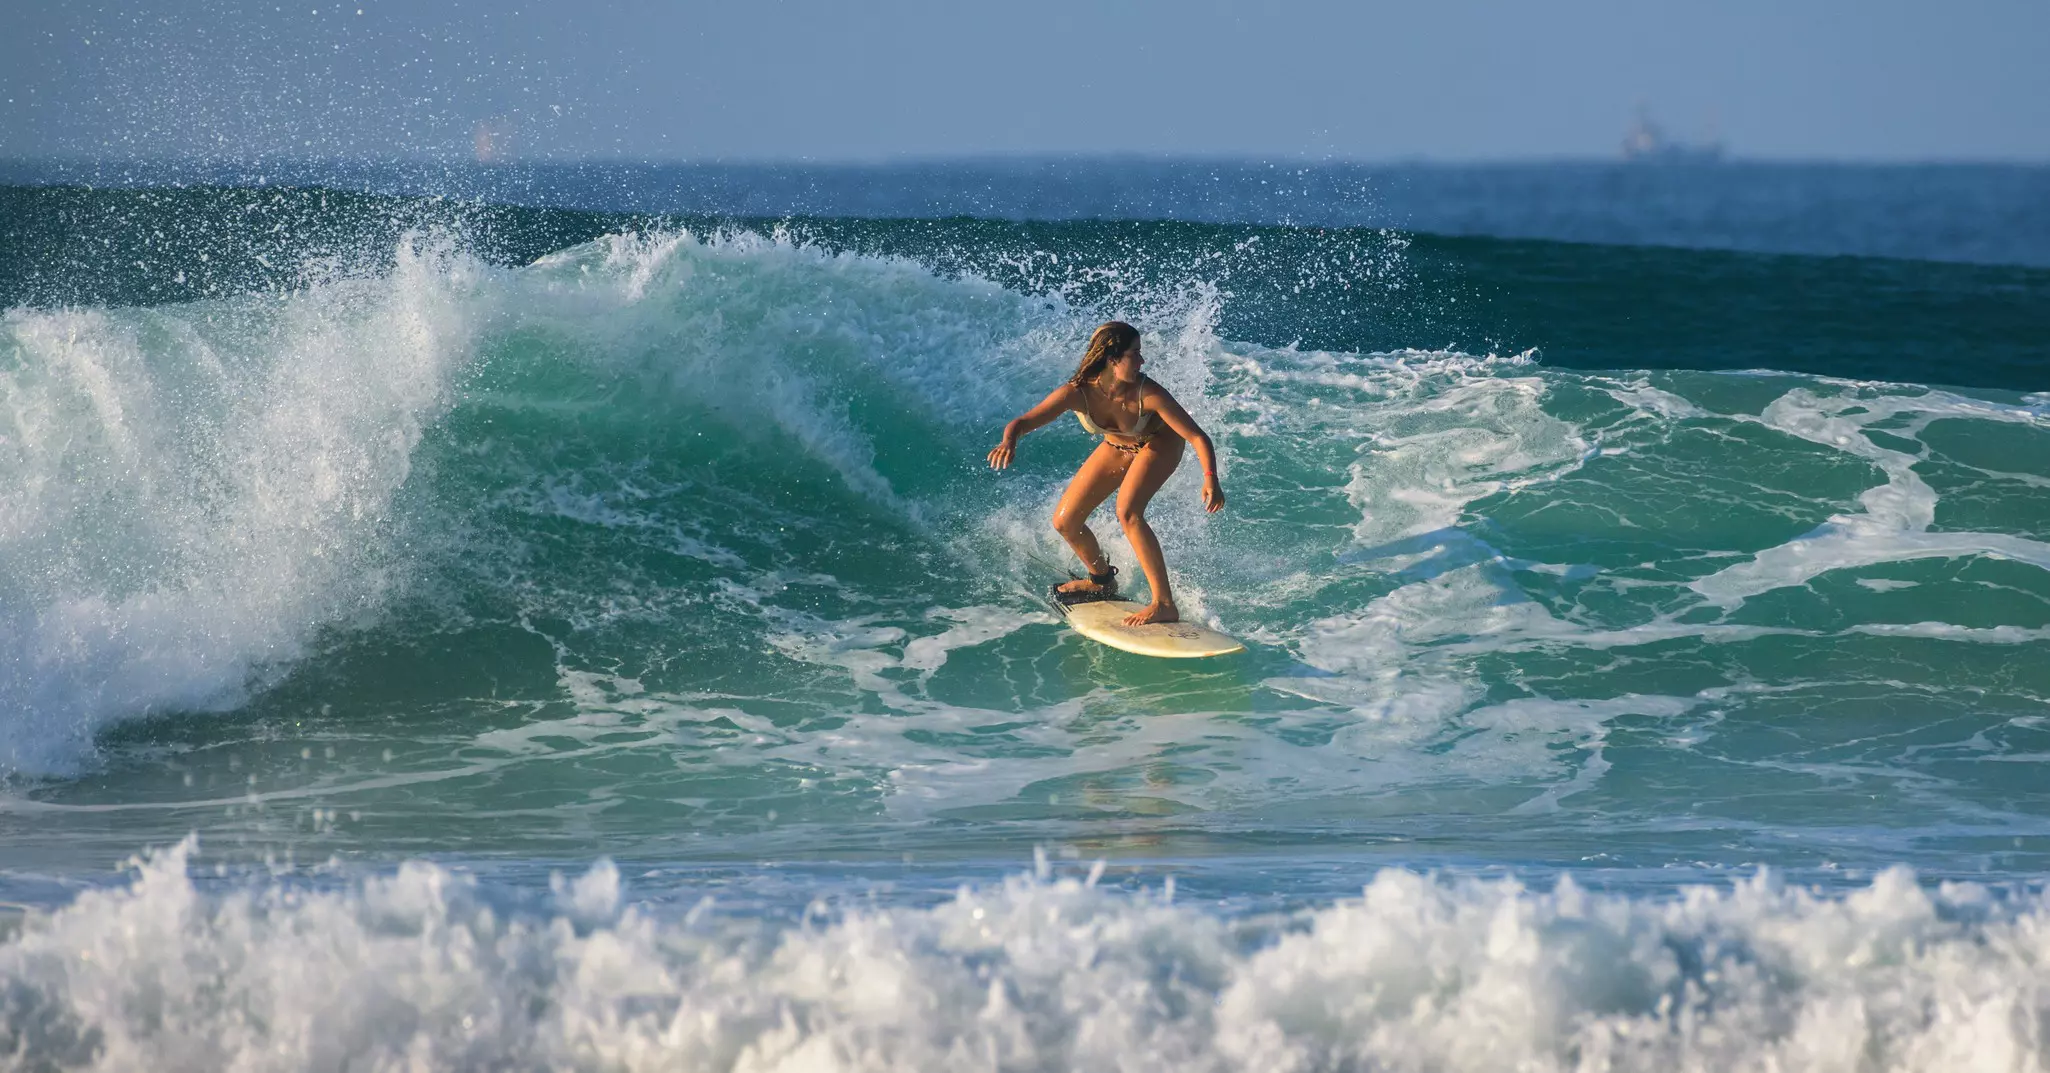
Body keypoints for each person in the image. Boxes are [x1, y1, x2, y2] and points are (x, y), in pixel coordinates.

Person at [987, 321, 1224, 626]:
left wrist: (1210, 477)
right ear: (1113, 359)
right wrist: (1009, 440)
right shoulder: (1078, 392)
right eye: (1135, 353)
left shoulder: (1147, 392)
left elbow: (1197, 437)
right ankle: (1101, 581)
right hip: (1117, 446)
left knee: (1128, 512)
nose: (1142, 361)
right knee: (1065, 521)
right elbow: (1024, 421)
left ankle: (1164, 604)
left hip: (1159, 443)